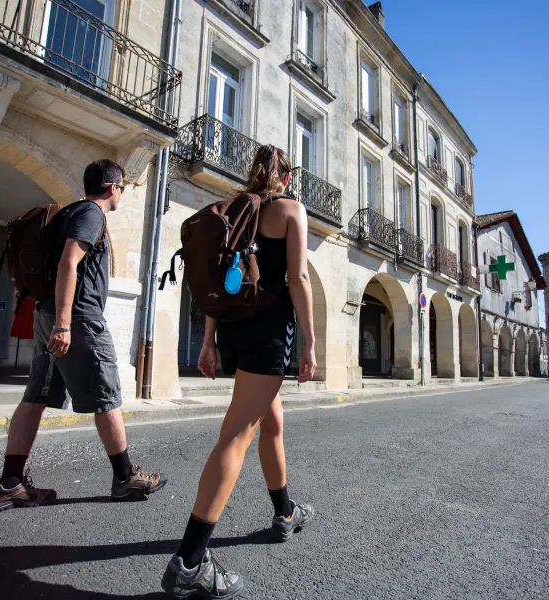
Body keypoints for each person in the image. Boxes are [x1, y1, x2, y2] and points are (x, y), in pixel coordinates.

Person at [161, 145, 317, 599]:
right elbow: (298, 278)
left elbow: (222, 279)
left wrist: (208, 340)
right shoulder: (290, 210)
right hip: (268, 332)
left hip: (233, 329)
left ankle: (284, 512)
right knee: (236, 434)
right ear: (286, 178)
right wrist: (310, 341)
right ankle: (190, 561)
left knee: (272, 422)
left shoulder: (237, 212)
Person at [0, 159, 166, 511]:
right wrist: (64, 324)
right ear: (113, 187)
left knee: (35, 397)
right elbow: (68, 264)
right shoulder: (91, 214)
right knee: (106, 395)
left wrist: (57, 321)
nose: (121, 194)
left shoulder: (71, 212)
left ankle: (10, 483)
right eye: (122, 188)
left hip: (49, 313)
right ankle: (125, 477)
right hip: (78, 320)